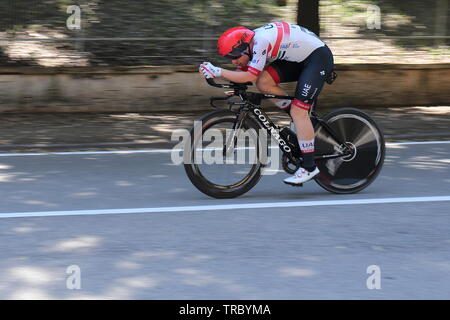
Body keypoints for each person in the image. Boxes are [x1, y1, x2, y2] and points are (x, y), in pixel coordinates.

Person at [199, 22, 334, 185]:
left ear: (245, 47)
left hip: (317, 58)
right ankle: (303, 123)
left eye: (235, 56)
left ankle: (309, 167)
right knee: (263, 83)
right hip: (298, 58)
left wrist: (218, 71)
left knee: (299, 112)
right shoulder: (250, 43)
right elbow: (245, 74)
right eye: (230, 58)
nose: (234, 62)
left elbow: (249, 76)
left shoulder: (261, 42)